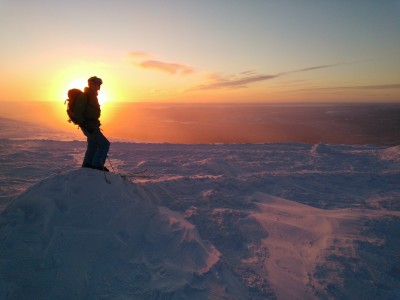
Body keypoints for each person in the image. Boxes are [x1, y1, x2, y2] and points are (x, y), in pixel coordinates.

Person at [74, 76, 110, 172]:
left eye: (99, 84)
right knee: (104, 144)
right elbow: (78, 113)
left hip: (92, 126)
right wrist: (85, 125)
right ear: (90, 85)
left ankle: (87, 165)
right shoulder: (85, 96)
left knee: (93, 145)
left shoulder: (93, 96)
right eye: (96, 84)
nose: (98, 86)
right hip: (89, 126)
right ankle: (97, 166)